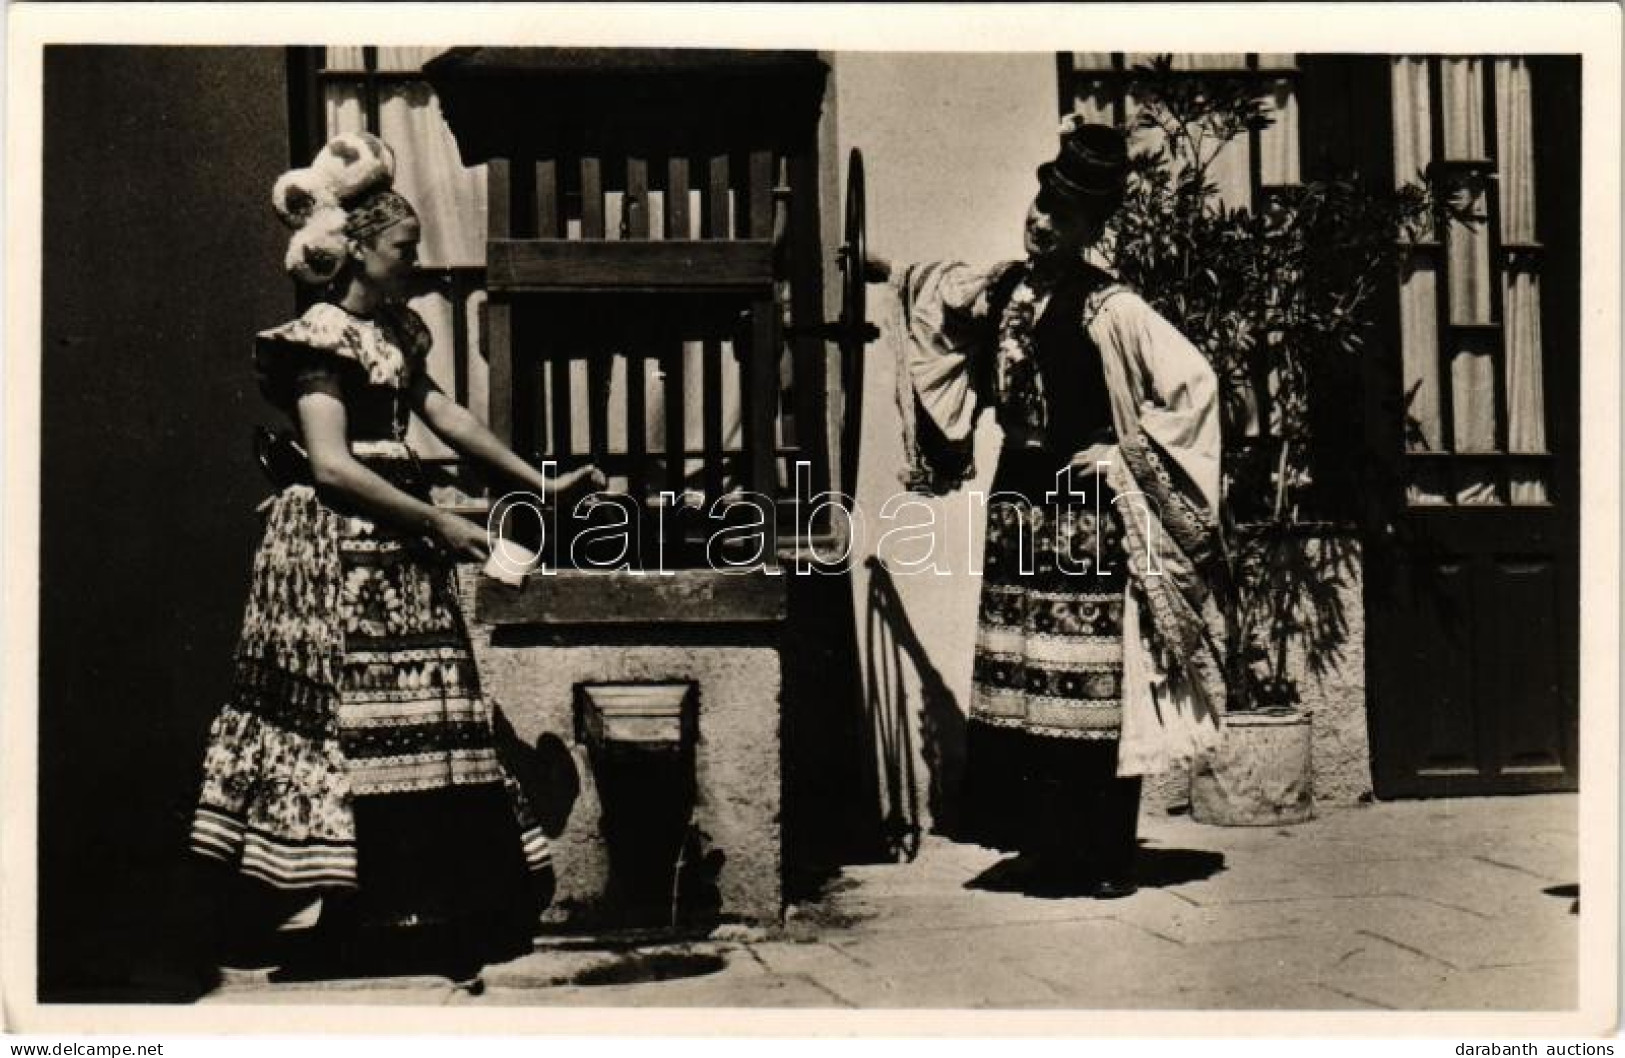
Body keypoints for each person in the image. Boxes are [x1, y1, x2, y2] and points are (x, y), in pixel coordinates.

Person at [188, 132, 603, 981]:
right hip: (335, 554)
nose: (414, 265)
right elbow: (333, 466)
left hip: (400, 546)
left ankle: (407, 905)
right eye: (403, 251)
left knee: (416, 716)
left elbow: (443, 415)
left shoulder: (399, 331)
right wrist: (440, 523)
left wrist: (539, 484)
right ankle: (321, 907)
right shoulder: (317, 337)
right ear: (358, 252)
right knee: (341, 720)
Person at [869, 119, 1227, 897]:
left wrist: (1120, 453)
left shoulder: (1112, 309)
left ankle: (1102, 857)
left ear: (1091, 229)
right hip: (1017, 500)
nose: (1039, 223)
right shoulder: (1001, 287)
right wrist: (883, 271)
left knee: (1084, 685)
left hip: (1082, 510)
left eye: (1060, 218)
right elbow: (935, 292)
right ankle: (1046, 847)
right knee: (1025, 674)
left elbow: (1192, 384)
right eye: (1038, 207)